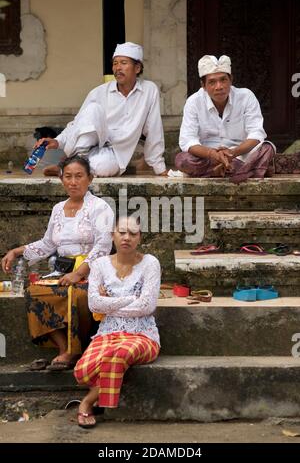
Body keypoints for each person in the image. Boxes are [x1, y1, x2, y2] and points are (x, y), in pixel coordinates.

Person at [1, 155, 114, 370]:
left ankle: (77, 348)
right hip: (62, 270)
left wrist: (79, 273)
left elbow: (102, 247)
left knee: (78, 295)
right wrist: (16, 251)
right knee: (34, 292)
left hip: (93, 270)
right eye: (68, 176)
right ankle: (65, 348)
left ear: (90, 178)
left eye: (79, 176)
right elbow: (47, 243)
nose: (73, 182)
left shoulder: (100, 208)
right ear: (62, 180)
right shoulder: (58, 209)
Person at [74, 215, 161, 428]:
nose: (126, 238)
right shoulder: (99, 265)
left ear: (139, 238)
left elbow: (147, 307)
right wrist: (131, 299)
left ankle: (87, 403)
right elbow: (94, 304)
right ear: (113, 235)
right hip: (107, 333)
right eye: (122, 232)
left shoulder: (150, 263)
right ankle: (99, 392)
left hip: (143, 335)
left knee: (117, 355)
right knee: (81, 371)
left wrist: (110, 302)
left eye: (133, 233)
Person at [35, 42, 167, 178]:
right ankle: (76, 161)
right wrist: (58, 141)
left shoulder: (149, 90)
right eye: (115, 63)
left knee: (103, 168)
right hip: (88, 144)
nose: (118, 68)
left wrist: (159, 168)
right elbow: (78, 123)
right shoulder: (99, 92)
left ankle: (66, 168)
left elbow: (154, 129)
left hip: (116, 152)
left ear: (137, 68)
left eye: (123, 63)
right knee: (93, 109)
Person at [175, 55, 276, 183]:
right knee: (182, 160)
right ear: (203, 85)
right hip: (208, 156)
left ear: (231, 80)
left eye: (223, 80)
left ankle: (221, 171)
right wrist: (213, 154)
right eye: (212, 82)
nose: (219, 86)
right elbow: (187, 140)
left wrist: (232, 153)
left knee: (267, 148)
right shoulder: (193, 102)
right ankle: (252, 170)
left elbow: (256, 134)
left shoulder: (246, 96)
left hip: (240, 154)